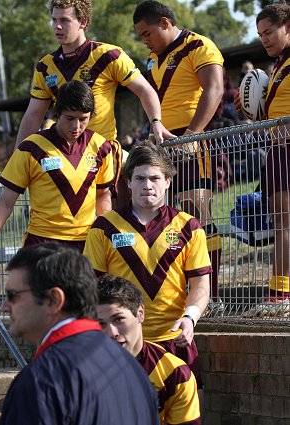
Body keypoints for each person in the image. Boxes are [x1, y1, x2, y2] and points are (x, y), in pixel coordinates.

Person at [84, 141, 211, 408]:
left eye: (155, 178)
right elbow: (90, 287)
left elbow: (201, 285)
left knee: (190, 413)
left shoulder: (189, 226)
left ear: (167, 181)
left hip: (175, 341)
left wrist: (190, 318)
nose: (147, 185)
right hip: (121, 344)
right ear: (128, 182)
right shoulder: (104, 227)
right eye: (140, 178)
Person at [15, 0, 175, 196]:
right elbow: (33, 115)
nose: (57, 26)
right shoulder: (45, 66)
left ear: (83, 21)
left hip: (104, 156)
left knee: (115, 220)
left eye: (64, 20)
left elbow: (145, 90)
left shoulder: (108, 55)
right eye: (54, 19)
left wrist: (156, 122)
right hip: (66, 160)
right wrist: (18, 158)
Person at [0, 243, 160, 425]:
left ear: (54, 299)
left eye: (13, 295)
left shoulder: (41, 380)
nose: (4, 307)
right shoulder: (132, 367)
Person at [132, 0, 224, 313]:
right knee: (169, 219)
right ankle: (181, 291)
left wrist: (192, 135)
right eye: (141, 36)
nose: (144, 40)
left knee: (198, 213)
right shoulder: (153, 59)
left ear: (165, 23)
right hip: (161, 144)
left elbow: (214, 89)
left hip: (191, 141)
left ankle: (212, 294)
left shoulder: (199, 45)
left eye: (147, 33)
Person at [0, 80, 114, 252]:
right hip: (41, 244)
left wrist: (104, 236)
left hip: (86, 244)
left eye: (83, 119)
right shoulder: (31, 148)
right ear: (57, 113)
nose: (76, 126)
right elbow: (5, 202)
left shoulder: (102, 147)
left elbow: (103, 196)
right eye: (70, 118)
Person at [97, 274, 201, 425]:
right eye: (101, 324)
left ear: (140, 313)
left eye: (118, 319)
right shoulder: (73, 369)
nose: (112, 333)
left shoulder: (174, 374)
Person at [248, 2, 290, 314]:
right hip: (277, 150)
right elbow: (269, 113)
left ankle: (280, 293)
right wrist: (250, 106)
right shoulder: (274, 67)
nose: (264, 39)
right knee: (280, 223)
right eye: (260, 34)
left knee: (285, 223)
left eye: (270, 32)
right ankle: (280, 288)